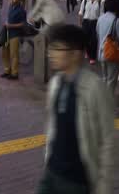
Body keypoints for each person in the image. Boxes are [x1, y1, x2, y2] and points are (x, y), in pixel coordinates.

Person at [36, 24, 113, 194]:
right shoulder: (56, 83)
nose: (51, 54)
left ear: (76, 54)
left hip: (76, 180)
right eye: (51, 48)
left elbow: (107, 140)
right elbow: (53, 126)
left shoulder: (94, 88)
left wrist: (103, 186)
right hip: (52, 171)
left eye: (57, 49)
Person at [96, 0, 119, 94]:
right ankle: (107, 105)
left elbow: (97, 34)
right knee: (111, 81)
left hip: (101, 52)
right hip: (112, 54)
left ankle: (102, 103)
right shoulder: (116, 21)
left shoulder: (100, 18)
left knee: (105, 79)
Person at [1, 0, 26, 80]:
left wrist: (11, 26)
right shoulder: (11, 7)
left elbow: (23, 24)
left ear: (19, 0)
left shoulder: (21, 10)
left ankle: (14, 73)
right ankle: (7, 70)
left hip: (15, 34)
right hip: (7, 33)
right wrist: (6, 23)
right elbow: (9, 18)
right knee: (5, 52)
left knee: (14, 54)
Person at [78, 0, 102, 65]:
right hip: (86, 22)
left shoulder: (99, 2)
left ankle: (93, 57)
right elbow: (81, 12)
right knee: (86, 39)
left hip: (95, 22)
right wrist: (80, 22)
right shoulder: (85, 1)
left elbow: (101, 14)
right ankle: (88, 52)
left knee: (94, 40)